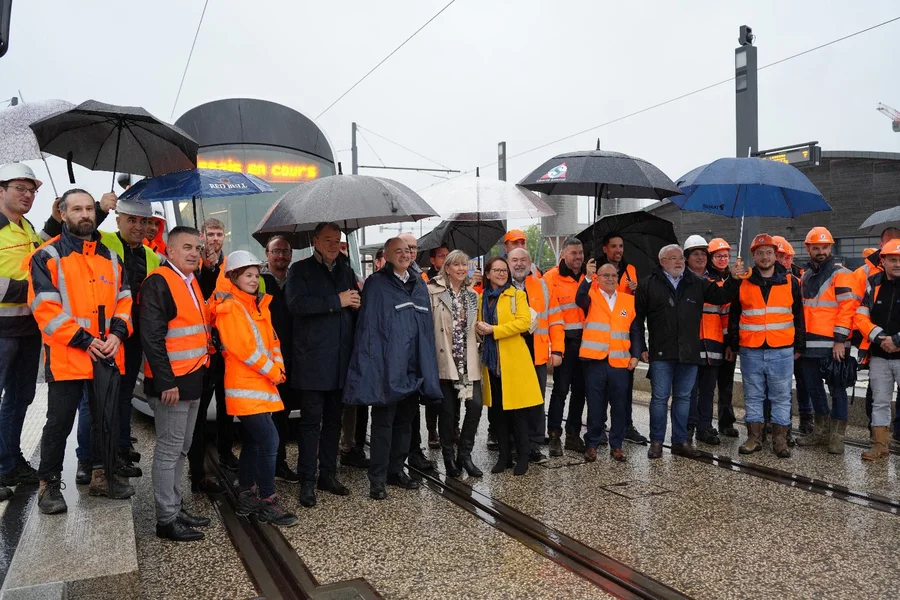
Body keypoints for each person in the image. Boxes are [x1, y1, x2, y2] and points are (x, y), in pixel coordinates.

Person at [28, 189, 135, 514]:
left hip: (106, 354)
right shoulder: (47, 256)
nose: (85, 214)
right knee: (59, 422)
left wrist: (117, 334)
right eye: (77, 209)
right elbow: (46, 310)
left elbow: (125, 298)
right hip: (69, 357)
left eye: (89, 208)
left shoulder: (111, 257)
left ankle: (103, 478)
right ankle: (48, 486)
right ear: (63, 213)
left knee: (105, 419)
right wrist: (87, 341)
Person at [343, 237, 442, 500]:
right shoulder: (376, 284)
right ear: (386, 255)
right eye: (397, 251)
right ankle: (377, 477)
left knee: (405, 424)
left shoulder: (418, 284)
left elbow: (425, 329)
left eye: (407, 250)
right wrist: (375, 368)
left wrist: (425, 366)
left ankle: (396, 470)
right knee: (383, 425)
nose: (404, 254)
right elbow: (370, 331)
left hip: (412, 367)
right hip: (387, 367)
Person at [635, 244, 743, 459]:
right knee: (659, 398)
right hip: (661, 353)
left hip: (689, 353)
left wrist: (733, 278)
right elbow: (637, 320)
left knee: (683, 398)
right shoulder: (648, 284)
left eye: (680, 259)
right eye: (673, 258)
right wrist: (641, 348)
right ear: (662, 261)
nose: (678, 262)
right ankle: (656, 441)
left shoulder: (697, 283)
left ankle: (679, 441)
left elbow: (721, 296)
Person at [140, 225, 213, 541]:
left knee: (182, 449)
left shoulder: (190, 280)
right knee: (170, 451)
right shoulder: (159, 282)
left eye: (196, 247)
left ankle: (175, 505)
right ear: (168, 250)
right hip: (173, 384)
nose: (194, 252)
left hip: (193, 377)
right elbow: (152, 337)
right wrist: (166, 382)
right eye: (186, 247)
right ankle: (166, 519)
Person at [215, 251, 297, 526]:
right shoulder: (231, 308)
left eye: (256, 274)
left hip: (261, 385)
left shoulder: (256, 305)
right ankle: (266, 500)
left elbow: (273, 341)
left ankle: (247, 493)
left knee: (254, 441)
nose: (253, 279)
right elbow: (244, 350)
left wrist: (279, 367)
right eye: (247, 275)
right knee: (269, 440)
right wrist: (275, 371)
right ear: (233, 278)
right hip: (247, 387)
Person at [285, 222, 358, 507]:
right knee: (310, 424)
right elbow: (296, 304)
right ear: (315, 241)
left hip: (340, 361)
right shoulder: (300, 270)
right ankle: (307, 480)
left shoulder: (346, 269)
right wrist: (336, 301)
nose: (333, 245)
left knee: (333, 423)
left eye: (336, 240)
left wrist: (356, 303)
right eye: (327, 240)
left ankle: (328, 474)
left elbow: (351, 301)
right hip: (313, 361)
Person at [95, 197, 161, 480]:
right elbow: (77, 231)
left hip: (133, 336)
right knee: (103, 398)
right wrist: (99, 209)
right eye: (131, 219)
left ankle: (121, 446)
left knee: (122, 395)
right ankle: (99, 458)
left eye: (144, 221)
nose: (138, 226)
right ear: (118, 219)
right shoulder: (104, 240)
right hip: (105, 334)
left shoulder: (152, 255)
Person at [728, 234, 805, 458]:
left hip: (781, 348)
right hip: (751, 348)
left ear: (776, 255)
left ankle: (780, 439)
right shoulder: (743, 280)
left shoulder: (791, 281)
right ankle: (754, 437)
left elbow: (798, 316)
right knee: (753, 395)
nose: (765, 257)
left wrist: (799, 345)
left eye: (769, 252)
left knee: (781, 396)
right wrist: (734, 343)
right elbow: (735, 315)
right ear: (753, 255)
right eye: (760, 253)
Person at [794, 227, 859, 454]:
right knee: (814, 389)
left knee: (837, 390)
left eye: (824, 247)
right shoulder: (806, 276)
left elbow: (848, 308)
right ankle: (821, 432)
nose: (821, 251)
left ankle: (836, 437)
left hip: (834, 345)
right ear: (808, 248)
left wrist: (840, 340)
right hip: (809, 346)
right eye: (816, 247)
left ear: (830, 247)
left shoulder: (841, 274)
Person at [477, 256, 544, 475]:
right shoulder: (481, 298)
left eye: (503, 270)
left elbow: (523, 322)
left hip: (514, 362)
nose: (501, 273)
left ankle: (522, 457)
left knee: (518, 413)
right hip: (492, 364)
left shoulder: (516, 294)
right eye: (496, 270)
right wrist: (480, 330)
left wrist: (493, 330)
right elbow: (477, 326)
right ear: (487, 274)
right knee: (498, 414)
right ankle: (504, 456)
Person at [0, 164, 44, 494]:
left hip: (28, 329)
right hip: (2, 330)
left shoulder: (27, 228)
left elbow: (48, 246)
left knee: (20, 399)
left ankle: (9, 462)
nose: (27, 195)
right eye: (20, 188)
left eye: (31, 190)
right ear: (0, 190)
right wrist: (29, 290)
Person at [576, 261, 642, 462]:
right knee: (596, 405)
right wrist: (587, 277)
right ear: (598, 278)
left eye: (614, 275)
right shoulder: (591, 296)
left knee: (620, 405)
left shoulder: (628, 301)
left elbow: (636, 330)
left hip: (620, 362)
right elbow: (579, 299)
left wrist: (636, 355)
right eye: (606, 275)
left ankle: (617, 445)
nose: (611, 279)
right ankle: (593, 443)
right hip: (595, 361)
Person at [427, 250, 484, 477]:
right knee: (448, 413)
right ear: (447, 268)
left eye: (464, 265)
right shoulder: (432, 291)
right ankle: (449, 458)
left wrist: (480, 331)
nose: (461, 269)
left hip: (468, 362)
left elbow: (473, 328)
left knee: (475, 406)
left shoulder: (472, 295)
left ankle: (465, 455)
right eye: (456, 265)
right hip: (445, 360)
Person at [187, 217, 232, 494]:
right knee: (200, 411)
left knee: (227, 406)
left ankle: (227, 453)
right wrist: (208, 268)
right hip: (203, 348)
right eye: (210, 234)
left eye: (218, 234)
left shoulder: (231, 264)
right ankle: (198, 468)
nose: (214, 239)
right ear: (202, 236)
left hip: (227, 345)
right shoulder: (194, 266)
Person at [595, 233, 647, 445]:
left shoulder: (630, 270)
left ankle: (626, 426)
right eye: (614, 246)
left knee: (624, 391)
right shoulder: (594, 269)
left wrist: (637, 291)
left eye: (621, 246)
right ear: (605, 249)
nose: (618, 250)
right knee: (599, 393)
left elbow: (634, 312)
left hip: (622, 342)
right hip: (599, 343)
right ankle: (598, 428)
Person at [855, 237, 900, 461]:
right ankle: (880, 445)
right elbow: (860, 315)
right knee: (880, 400)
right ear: (882, 260)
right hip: (879, 355)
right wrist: (879, 337)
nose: (898, 264)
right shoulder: (873, 283)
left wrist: (897, 340)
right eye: (893, 260)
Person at [260, 235, 300, 483]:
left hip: (293, 358)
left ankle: (280, 462)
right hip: (266, 360)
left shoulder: (296, 281)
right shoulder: (260, 281)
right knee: (267, 416)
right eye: (276, 251)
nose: (281, 256)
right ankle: (266, 463)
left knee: (283, 414)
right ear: (267, 255)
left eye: (285, 251)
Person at [398, 232, 437, 471]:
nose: (411, 252)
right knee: (400, 410)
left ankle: (414, 451)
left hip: (417, 351)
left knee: (413, 408)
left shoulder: (419, 277)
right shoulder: (390, 277)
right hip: (399, 353)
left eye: (413, 247)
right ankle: (401, 453)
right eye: (406, 247)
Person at [508, 248, 550, 464]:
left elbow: (553, 317)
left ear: (530, 262)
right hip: (511, 353)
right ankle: (513, 444)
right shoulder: (501, 285)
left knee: (536, 401)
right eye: (514, 260)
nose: (519, 264)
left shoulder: (541, 284)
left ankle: (534, 444)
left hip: (537, 352)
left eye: (523, 259)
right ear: (508, 262)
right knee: (513, 401)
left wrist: (557, 349)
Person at [546, 237, 587, 456]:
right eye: (573, 253)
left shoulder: (590, 277)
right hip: (565, 343)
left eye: (580, 253)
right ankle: (554, 434)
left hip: (587, 344)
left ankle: (573, 434)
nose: (578, 257)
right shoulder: (551, 278)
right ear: (563, 254)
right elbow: (549, 316)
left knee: (580, 392)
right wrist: (555, 348)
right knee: (560, 391)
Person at [682, 235, 724, 446]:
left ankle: (704, 427)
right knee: (689, 389)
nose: (700, 258)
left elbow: (724, 312)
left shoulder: (716, 281)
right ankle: (688, 426)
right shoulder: (680, 280)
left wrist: (729, 343)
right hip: (691, 343)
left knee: (708, 389)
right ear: (687, 257)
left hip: (713, 343)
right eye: (695, 254)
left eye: (703, 254)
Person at [772, 235, 812, 437]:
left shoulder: (799, 278)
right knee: (780, 387)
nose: (783, 261)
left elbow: (800, 315)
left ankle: (806, 418)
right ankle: (780, 424)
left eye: (786, 257)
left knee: (802, 382)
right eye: (779, 256)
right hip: (777, 343)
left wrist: (800, 345)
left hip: (795, 340)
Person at [706, 238, 739, 438]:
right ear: (711, 258)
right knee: (707, 386)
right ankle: (705, 423)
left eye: (725, 256)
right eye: (718, 256)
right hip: (710, 339)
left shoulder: (732, 278)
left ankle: (726, 422)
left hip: (727, 339)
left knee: (726, 385)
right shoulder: (706, 279)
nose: (722, 259)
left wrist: (732, 343)